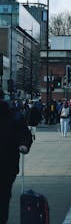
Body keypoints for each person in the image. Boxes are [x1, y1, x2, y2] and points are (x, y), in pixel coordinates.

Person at [0, 90, 32, 224]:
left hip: (6, 165)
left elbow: (25, 134)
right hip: (9, 164)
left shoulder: (13, 116)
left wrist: (24, 145)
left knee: (3, 197)